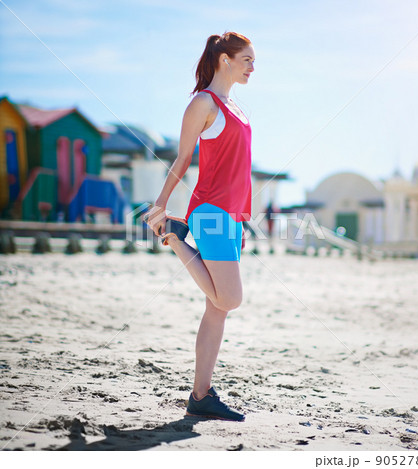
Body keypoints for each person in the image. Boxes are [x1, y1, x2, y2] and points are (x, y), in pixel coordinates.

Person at [144, 32, 255, 421]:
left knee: (216, 310)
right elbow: (183, 158)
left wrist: (243, 216)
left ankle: (200, 395)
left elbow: (239, 169)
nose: (252, 68)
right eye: (246, 60)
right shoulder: (203, 103)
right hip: (210, 212)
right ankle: (174, 236)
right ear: (224, 59)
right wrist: (161, 204)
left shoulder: (237, 108)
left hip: (231, 215)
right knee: (231, 299)